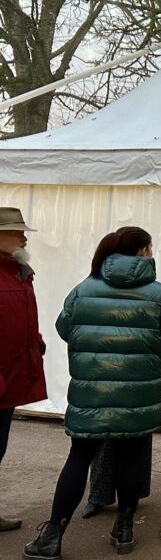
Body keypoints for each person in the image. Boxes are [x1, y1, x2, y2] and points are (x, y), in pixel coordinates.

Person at [22, 227, 161, 560]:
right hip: (138, 393)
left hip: (91, 391)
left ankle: (52, 537)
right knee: (130, 455)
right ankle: (123, 528)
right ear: (142, 251)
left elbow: (64, 328)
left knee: (79, 458)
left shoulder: (82, 290)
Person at [0, 207, 46, 532]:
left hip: (12, 377)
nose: (24, 236)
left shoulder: (19, 271)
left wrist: (36, 341)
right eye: (17, 231)